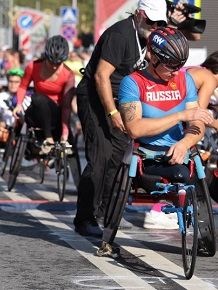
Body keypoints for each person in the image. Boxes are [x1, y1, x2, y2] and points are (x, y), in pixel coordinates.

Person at [73, 0, 168, 237]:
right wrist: (112, 113)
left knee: (118, 158)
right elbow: (101, 76)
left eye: (160, 23)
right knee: (100, 157)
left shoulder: (153, 39)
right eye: (151, 21)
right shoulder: (120, 35)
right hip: (96, 96)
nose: (155, 26)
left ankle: (105, 212)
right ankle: (84, 218)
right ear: (138, 15)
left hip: (120, 99)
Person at [117, 27, 213, 229]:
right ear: (152, 55)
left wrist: (184, 143)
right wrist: (180, 115)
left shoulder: (185, 80)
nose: (176, 70)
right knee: (180, 174)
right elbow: (134, 129)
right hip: (148, 157)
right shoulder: (132, 83)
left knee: (203, 176)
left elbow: (197, 123)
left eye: (180, 65)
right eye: (170, 64)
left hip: (180, 151)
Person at [13, 35, 75, 155]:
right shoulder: (32, 66)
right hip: (36, 114)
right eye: (51, 62)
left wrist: (65, 133)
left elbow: (67, 106)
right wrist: (19, 104)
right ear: (46, 56)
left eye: (58, 63)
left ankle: (51, 140)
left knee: (40, 99)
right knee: (37, 98)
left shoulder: (68, 74)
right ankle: (48, 139)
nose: (54, 67)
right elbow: (23, 86)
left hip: (55, 115)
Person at [0, 68, 23, 149]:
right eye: (11, 82)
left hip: (20, 129)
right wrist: (0, 121)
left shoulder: (27, 97)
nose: (13, 85)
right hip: (5, 129)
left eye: (16, 82)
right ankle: (11, 142)